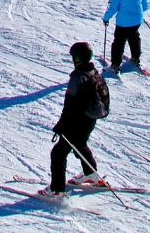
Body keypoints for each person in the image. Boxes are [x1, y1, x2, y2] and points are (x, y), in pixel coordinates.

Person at [47, 41, 110, 194]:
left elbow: (69, 106)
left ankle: (56, 190)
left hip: (77, 121)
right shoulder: (94, 72)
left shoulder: (77, 77)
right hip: (90, 118)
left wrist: (61, 126)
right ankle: (91, 175)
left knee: (58, 153)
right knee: (80, 144)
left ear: (77, 58)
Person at [102, 0, 149, 74]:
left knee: (119, 42)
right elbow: (145, 6)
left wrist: (106, 18)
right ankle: (136, 58)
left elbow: (112, 7)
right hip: (137, 20)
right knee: (134, 37)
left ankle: (115, 65)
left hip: (123, 23)